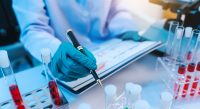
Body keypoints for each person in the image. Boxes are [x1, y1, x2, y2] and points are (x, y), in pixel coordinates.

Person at [13, 0, 144, 82]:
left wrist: (126, 28)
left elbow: (117, 9)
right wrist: (55, 50)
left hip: (111, 55)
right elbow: (33, 29)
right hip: (65, 61)